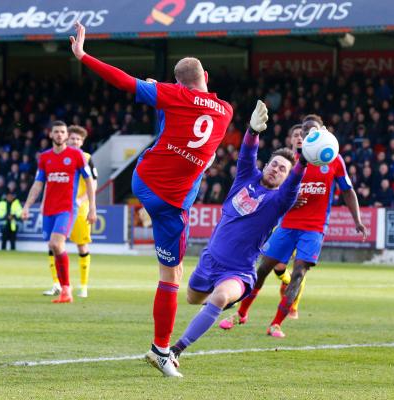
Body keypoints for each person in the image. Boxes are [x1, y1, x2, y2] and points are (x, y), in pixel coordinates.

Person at [70, 21, 233, 376]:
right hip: (172, 203)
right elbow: (199, 108)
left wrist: (83, 55)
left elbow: (123, 81)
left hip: (144, 181)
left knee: (164, 126)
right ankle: (162, 350)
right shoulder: (226, 111)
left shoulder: (172, 95)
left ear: (178, 84)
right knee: (172, 276)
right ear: (205, 74)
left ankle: (162, 348)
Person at [168, 100, 307, 375]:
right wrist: (252, 131)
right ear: (266, 165)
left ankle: (174, 351)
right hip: (209, 261)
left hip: (239, 271)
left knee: (219, 298)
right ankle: (221, 301)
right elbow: (246, 154)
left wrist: (303, 160)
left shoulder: (279, 200)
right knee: (192, 299)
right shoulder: (246, 178)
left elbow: (292, 186)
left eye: (283, 169)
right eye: (274, 164)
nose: (276, 169)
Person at [219, 118, 366, 338]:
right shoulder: (293, 162)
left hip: (314, 228)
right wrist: (287, 198)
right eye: (303, 131)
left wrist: (357, 220)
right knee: (261, 270)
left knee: (298, 274)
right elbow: (272, 189)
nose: (305, 135)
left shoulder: (333, 159)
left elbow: (347, 190)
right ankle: (241, 313)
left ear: (321, 132)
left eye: (311, 131)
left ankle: (276, 324)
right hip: (287, 225)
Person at [21, 121, 96, 304]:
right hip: (49, 209)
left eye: (63, 132)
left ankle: (68, 289)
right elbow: (39, 183)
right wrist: (27, 205)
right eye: (57, 132)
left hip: (68, 208)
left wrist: (92, 208)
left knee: (58, 243)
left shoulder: (78, 156)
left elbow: (89, 182)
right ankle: (63, 288)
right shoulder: (45, 157)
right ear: (51, 135)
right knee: (54, 247)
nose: (60, 135)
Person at [43, 125, 98, 298]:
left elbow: (93, 182)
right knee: (54, 245)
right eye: (72, 138)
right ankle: (57, 284)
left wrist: (82, 201)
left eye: (78, 139)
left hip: (79, 209)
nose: (74, 141)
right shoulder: (59, 156)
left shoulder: (87, 158)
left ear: (82, 142)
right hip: (59, 207)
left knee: (82, 245)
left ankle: (83, 286)